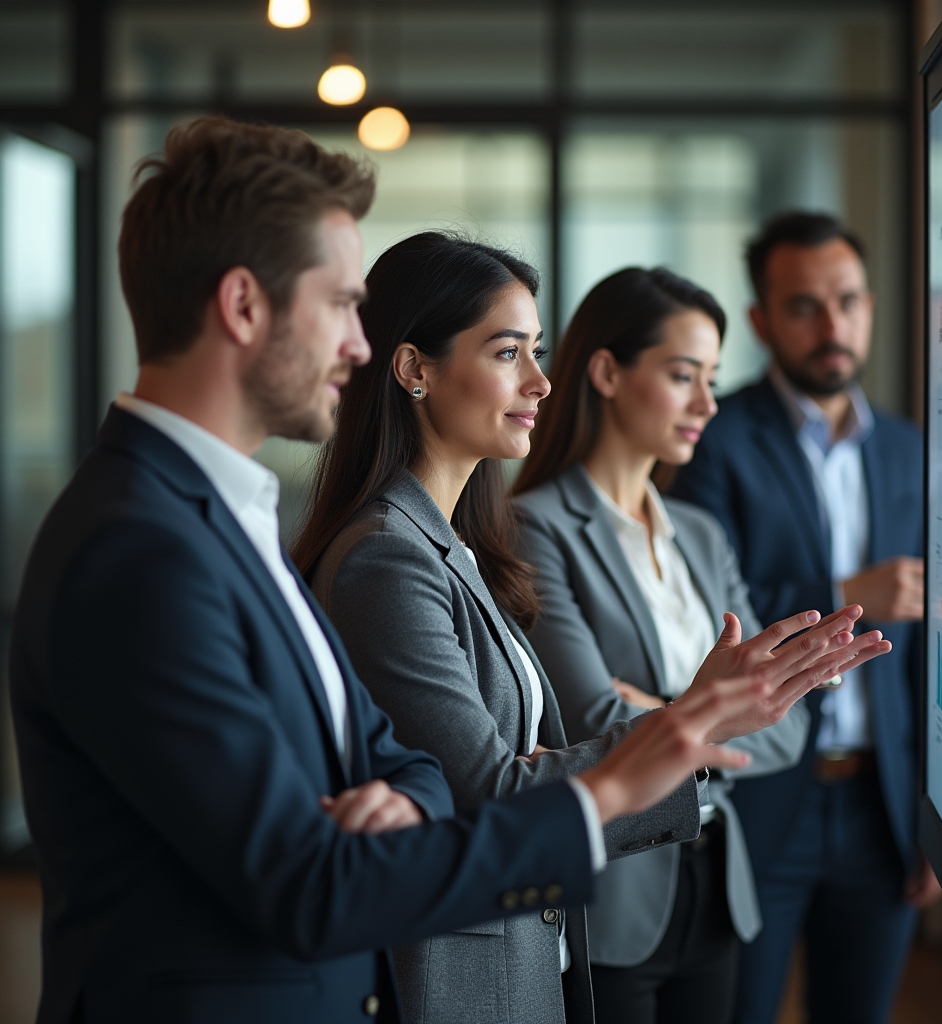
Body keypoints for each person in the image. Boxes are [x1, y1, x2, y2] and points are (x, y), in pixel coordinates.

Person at [9, 117, 793, 1024]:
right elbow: (311, 875)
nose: (357, 345)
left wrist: (408, 802)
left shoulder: (224, 514)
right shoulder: (141, 552)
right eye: (342, 305)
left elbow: (405, 768)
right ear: (242, 305)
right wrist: (629, 771)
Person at [293, 231, 892, 1024]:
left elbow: (522, 766)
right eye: (509, 353)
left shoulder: (460, 545)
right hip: (468, 975)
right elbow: (492, 796)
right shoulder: (387, 560)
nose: (541, 382)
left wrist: (658, 721)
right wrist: (692, 720)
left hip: (538, 947)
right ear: (413, 369)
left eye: (536, 352)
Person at [512, 267, 814, 1024]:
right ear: (608, 371)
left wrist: (667, 712)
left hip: (715, 885)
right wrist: (729, 708)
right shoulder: (534, 527)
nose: (708, 404)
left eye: (712, 378)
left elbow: (790, 725)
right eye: (684, 376)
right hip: (613, 892)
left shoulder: (703, 537)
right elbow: (589, 717)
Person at [670, 211, 939, 1024]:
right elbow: (699, 607)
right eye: (804, 306)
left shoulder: (908, 448)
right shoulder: (715, 439)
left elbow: (929, 645)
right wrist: (848, 585)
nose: (833, 326)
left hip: (880, 802)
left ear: (870, 304)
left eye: (848, 300)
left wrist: (934, 809)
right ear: (760, 320)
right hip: (759, 798)